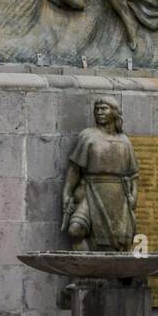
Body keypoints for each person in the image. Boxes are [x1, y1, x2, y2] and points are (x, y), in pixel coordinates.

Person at [62, 97, 139, 251]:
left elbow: (133, 175)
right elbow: (75, 169)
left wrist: (134, 197)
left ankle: (113, 269)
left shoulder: (125, 141)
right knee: (75, 230)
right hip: (90, 191)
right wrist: (67, 193)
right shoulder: (87, 136)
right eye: (97, 109)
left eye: (104, 108)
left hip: (118, 195)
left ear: (115, 112)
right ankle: (84, 266)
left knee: (119, 243)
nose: (99, 112)